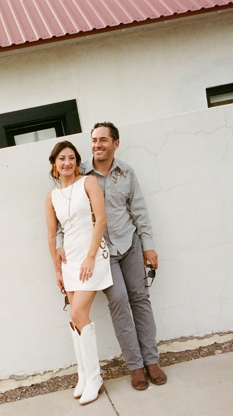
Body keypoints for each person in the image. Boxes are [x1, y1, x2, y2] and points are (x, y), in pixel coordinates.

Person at [81, 122, 164, 390]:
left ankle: (152, 361)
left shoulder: (126, 173)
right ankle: (135, 366)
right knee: (118, 301)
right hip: (102, 253)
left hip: (129, 244)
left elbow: (139, 210)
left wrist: (148, 246)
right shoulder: (83, 175)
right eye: (94, 140)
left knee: (140, 299)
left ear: (115, 143)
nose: (97, 145)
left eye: (103, 140)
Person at [45, 141, 112, 405]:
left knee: (77, 313)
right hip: (70, 260)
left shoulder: (89, 183)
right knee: (74, 320)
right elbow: (51, 235)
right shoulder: (51, 198)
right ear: (54, 164)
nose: (67, 163)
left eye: (71, 158)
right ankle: (84, 375)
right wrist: (57, 269)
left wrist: (91, 256)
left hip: (91, 257)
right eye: (62, 158)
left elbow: (102, 219)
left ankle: (95, 377)